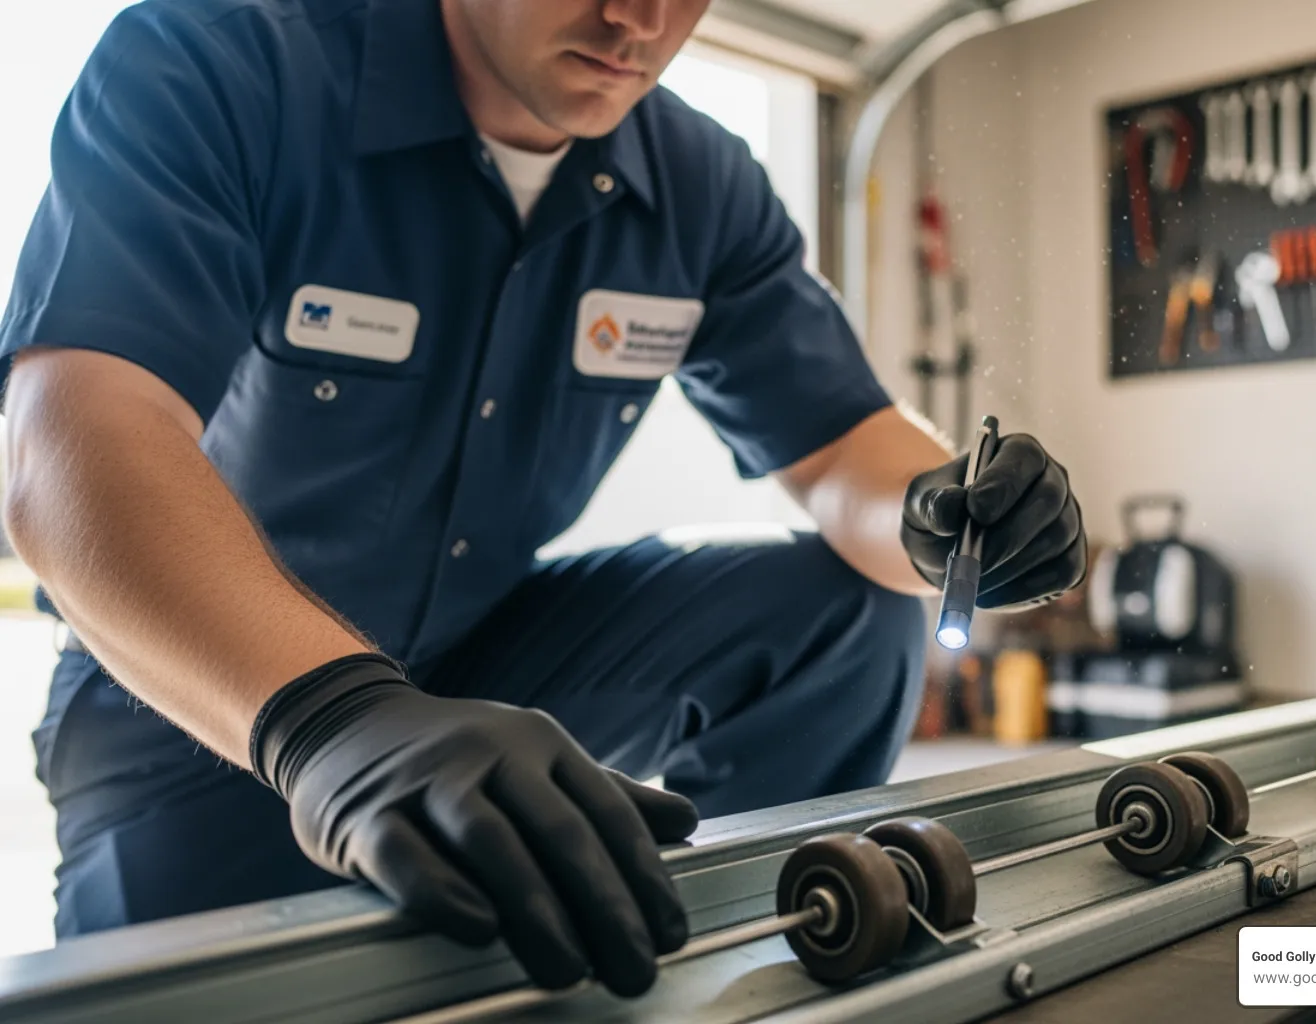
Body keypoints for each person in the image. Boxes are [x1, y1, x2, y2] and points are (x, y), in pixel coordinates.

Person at [0, 0, 1086, 999]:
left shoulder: (699, 185)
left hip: (476, 683)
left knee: (850, 604)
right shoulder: (225, 62)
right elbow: (68, 445)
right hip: (196, 718)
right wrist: (331, 719)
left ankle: (752, 955)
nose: (638, 19)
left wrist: (941, 512)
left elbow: (849, 449)